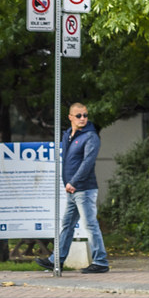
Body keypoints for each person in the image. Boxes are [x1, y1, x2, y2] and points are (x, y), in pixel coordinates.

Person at [36, 102, 110, 274]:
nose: (83, 118)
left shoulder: (91, 136)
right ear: (70, 117)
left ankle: (100, 262)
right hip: (72, 190)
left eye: (85, 115)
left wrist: (74, 182)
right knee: (67, 225)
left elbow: (88, 162)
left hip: (84, 189)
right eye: (79, 116)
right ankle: (56, 261)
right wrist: (69, 185)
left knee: (90, 225)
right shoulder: (68, 134)